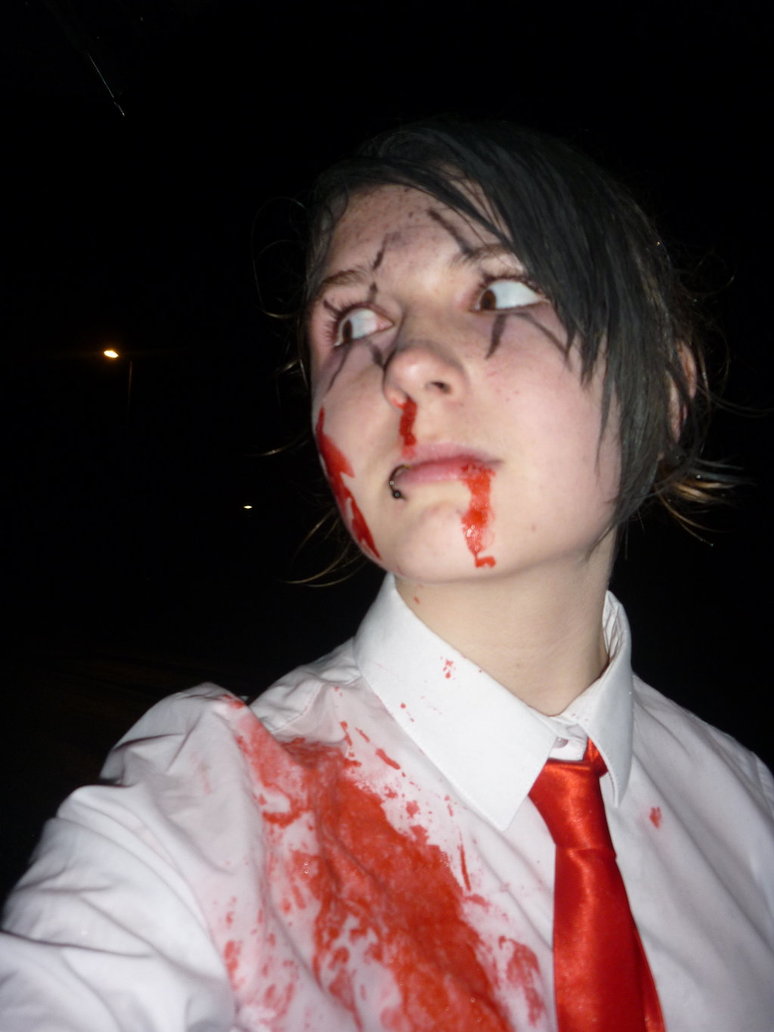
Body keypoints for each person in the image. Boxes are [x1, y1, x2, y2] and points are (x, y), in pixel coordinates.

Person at [1, 119, 773, 1032]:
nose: (403, 362)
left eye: (501, 291)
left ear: (669, 387)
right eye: (355, 322)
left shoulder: (752, 820)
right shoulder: (199, 823)